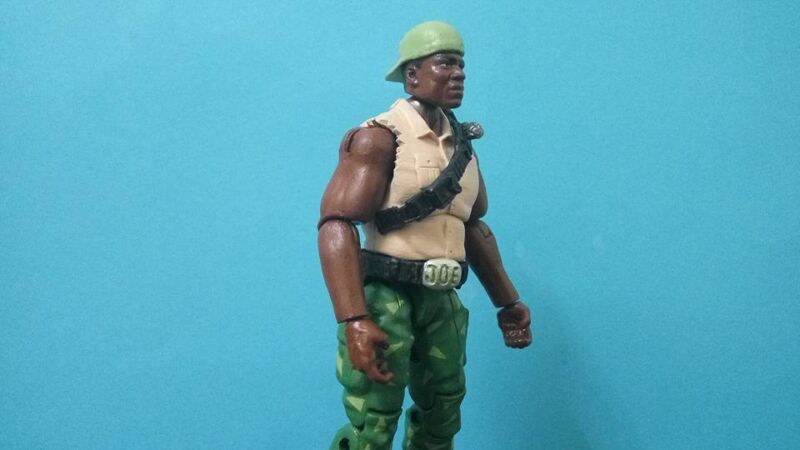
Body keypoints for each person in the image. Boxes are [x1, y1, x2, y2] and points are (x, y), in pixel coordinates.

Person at [318, 21, 532, 450]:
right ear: (412, 74)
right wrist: (354, 318)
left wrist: (507, 302)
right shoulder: (380, 139)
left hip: (442, 300)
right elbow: (336, 224)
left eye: (462, 65)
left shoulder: (462, 148)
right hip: (387, 298)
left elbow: (472, 227)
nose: (459, 74)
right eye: (446, 63)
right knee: (374, 418)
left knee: (443, 412)